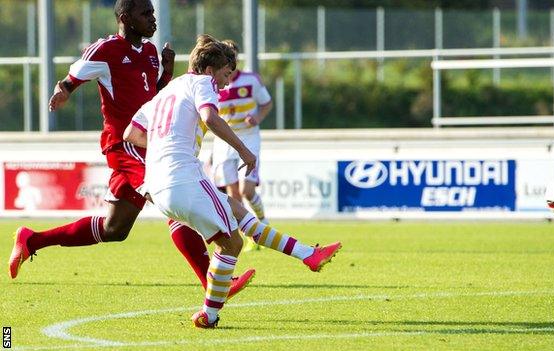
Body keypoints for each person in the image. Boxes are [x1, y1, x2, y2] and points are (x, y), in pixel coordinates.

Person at [7, 0, 254, 299]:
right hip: (126, 143)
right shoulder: (106, 49)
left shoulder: (150, 53)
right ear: (126, 18)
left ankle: (31, 240)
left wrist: (165, 73)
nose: (153, 19)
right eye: (146, 14)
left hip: (146, 141)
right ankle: (214, 282)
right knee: (170, 194)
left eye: (153, 13)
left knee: (115, 229)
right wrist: (64, 89)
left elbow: (154, 99)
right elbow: (75, 75)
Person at [123, 37, 342, 328]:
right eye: (226, 75)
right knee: (232, 243)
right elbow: (210, 117)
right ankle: (209, 314)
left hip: (157, 184)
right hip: (183, 178)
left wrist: (166, 147)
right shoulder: (201, 82)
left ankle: (308, 254)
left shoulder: (164, 94)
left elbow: (131, 134)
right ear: (211, 69)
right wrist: (243, 149)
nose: (226, 84)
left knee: (237, 211)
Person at [211, 40, 273, 251]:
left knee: (247, 190)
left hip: (248, 138)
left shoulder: (251, 80)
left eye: (232, 57)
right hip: (224, 140)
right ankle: (247, 238)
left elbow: (266, 103)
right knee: (233, 195)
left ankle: (262, 222)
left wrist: (257, 117)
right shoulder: (213, 82)